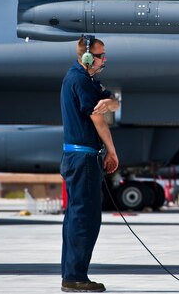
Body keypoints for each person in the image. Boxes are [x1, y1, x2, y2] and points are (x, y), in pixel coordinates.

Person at [60, 37, 120, 293]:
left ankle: (73, 275)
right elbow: (98, 118)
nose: (104, 59)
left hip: (80, 158)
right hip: (84, 159)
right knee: (84, 219)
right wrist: (112, 151)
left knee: (77, 217)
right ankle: (75, 277)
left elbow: (113, 103)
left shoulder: (88, 80)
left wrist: (112, 102)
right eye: (100, 55)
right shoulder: (81, 81)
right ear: (86, 57)